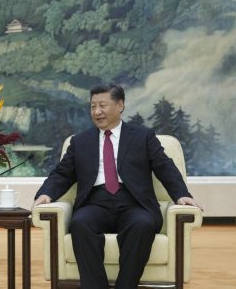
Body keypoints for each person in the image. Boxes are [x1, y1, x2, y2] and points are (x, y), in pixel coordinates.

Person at [33, 83, 202, 289]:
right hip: (95, 203)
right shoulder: (80, 141)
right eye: (93, 106)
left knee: (142, 224)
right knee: (80, 223)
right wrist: (46, 194)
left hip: (133, 203)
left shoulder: (143, 137)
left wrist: (181, 195)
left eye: (102, 105)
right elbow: (62, 174)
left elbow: (164, 167)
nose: (97, 111)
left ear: (120, 105)